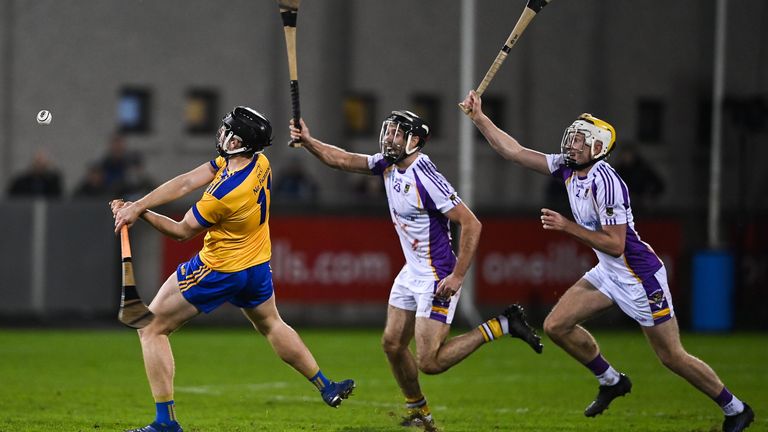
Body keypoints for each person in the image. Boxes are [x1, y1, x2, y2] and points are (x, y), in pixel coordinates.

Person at [461, 90, 755, 432]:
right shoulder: (568, 169)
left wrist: (566, 227)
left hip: (638, 276)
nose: (571, 146)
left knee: (672, 357)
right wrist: (479, 118)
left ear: (598, 148)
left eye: (579, 142)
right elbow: (514, 152)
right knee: (557, 326)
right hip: (609, 272)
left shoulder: (607, 182)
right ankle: (612, 380)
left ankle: (736, 409)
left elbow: (616, 245)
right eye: (571, 139)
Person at [289, 110, 543, 431]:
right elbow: (342, 159)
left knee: (430, 362)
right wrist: (309, 141)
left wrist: (458, 276)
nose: (388, 138)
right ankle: (420, 414)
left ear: (415, 142)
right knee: (392, 344)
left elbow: (471, 223)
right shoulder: (387, 163)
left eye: (397, 133)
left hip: (438, 276)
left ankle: (502, 324)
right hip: (412, 271)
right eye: (389, 131)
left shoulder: (426, 177)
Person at [111, 107, 355, 432]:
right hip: (256, 267)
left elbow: (182, 231)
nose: (223, 135)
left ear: (240, 141)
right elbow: (185, 182)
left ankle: (164, 422)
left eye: (229, 132)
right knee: (272, 324)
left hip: (218, 268)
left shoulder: (224, 195)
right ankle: (326, 385)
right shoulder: (260, 163)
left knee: (151, 328)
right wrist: (138, 205)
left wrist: (139, 213)